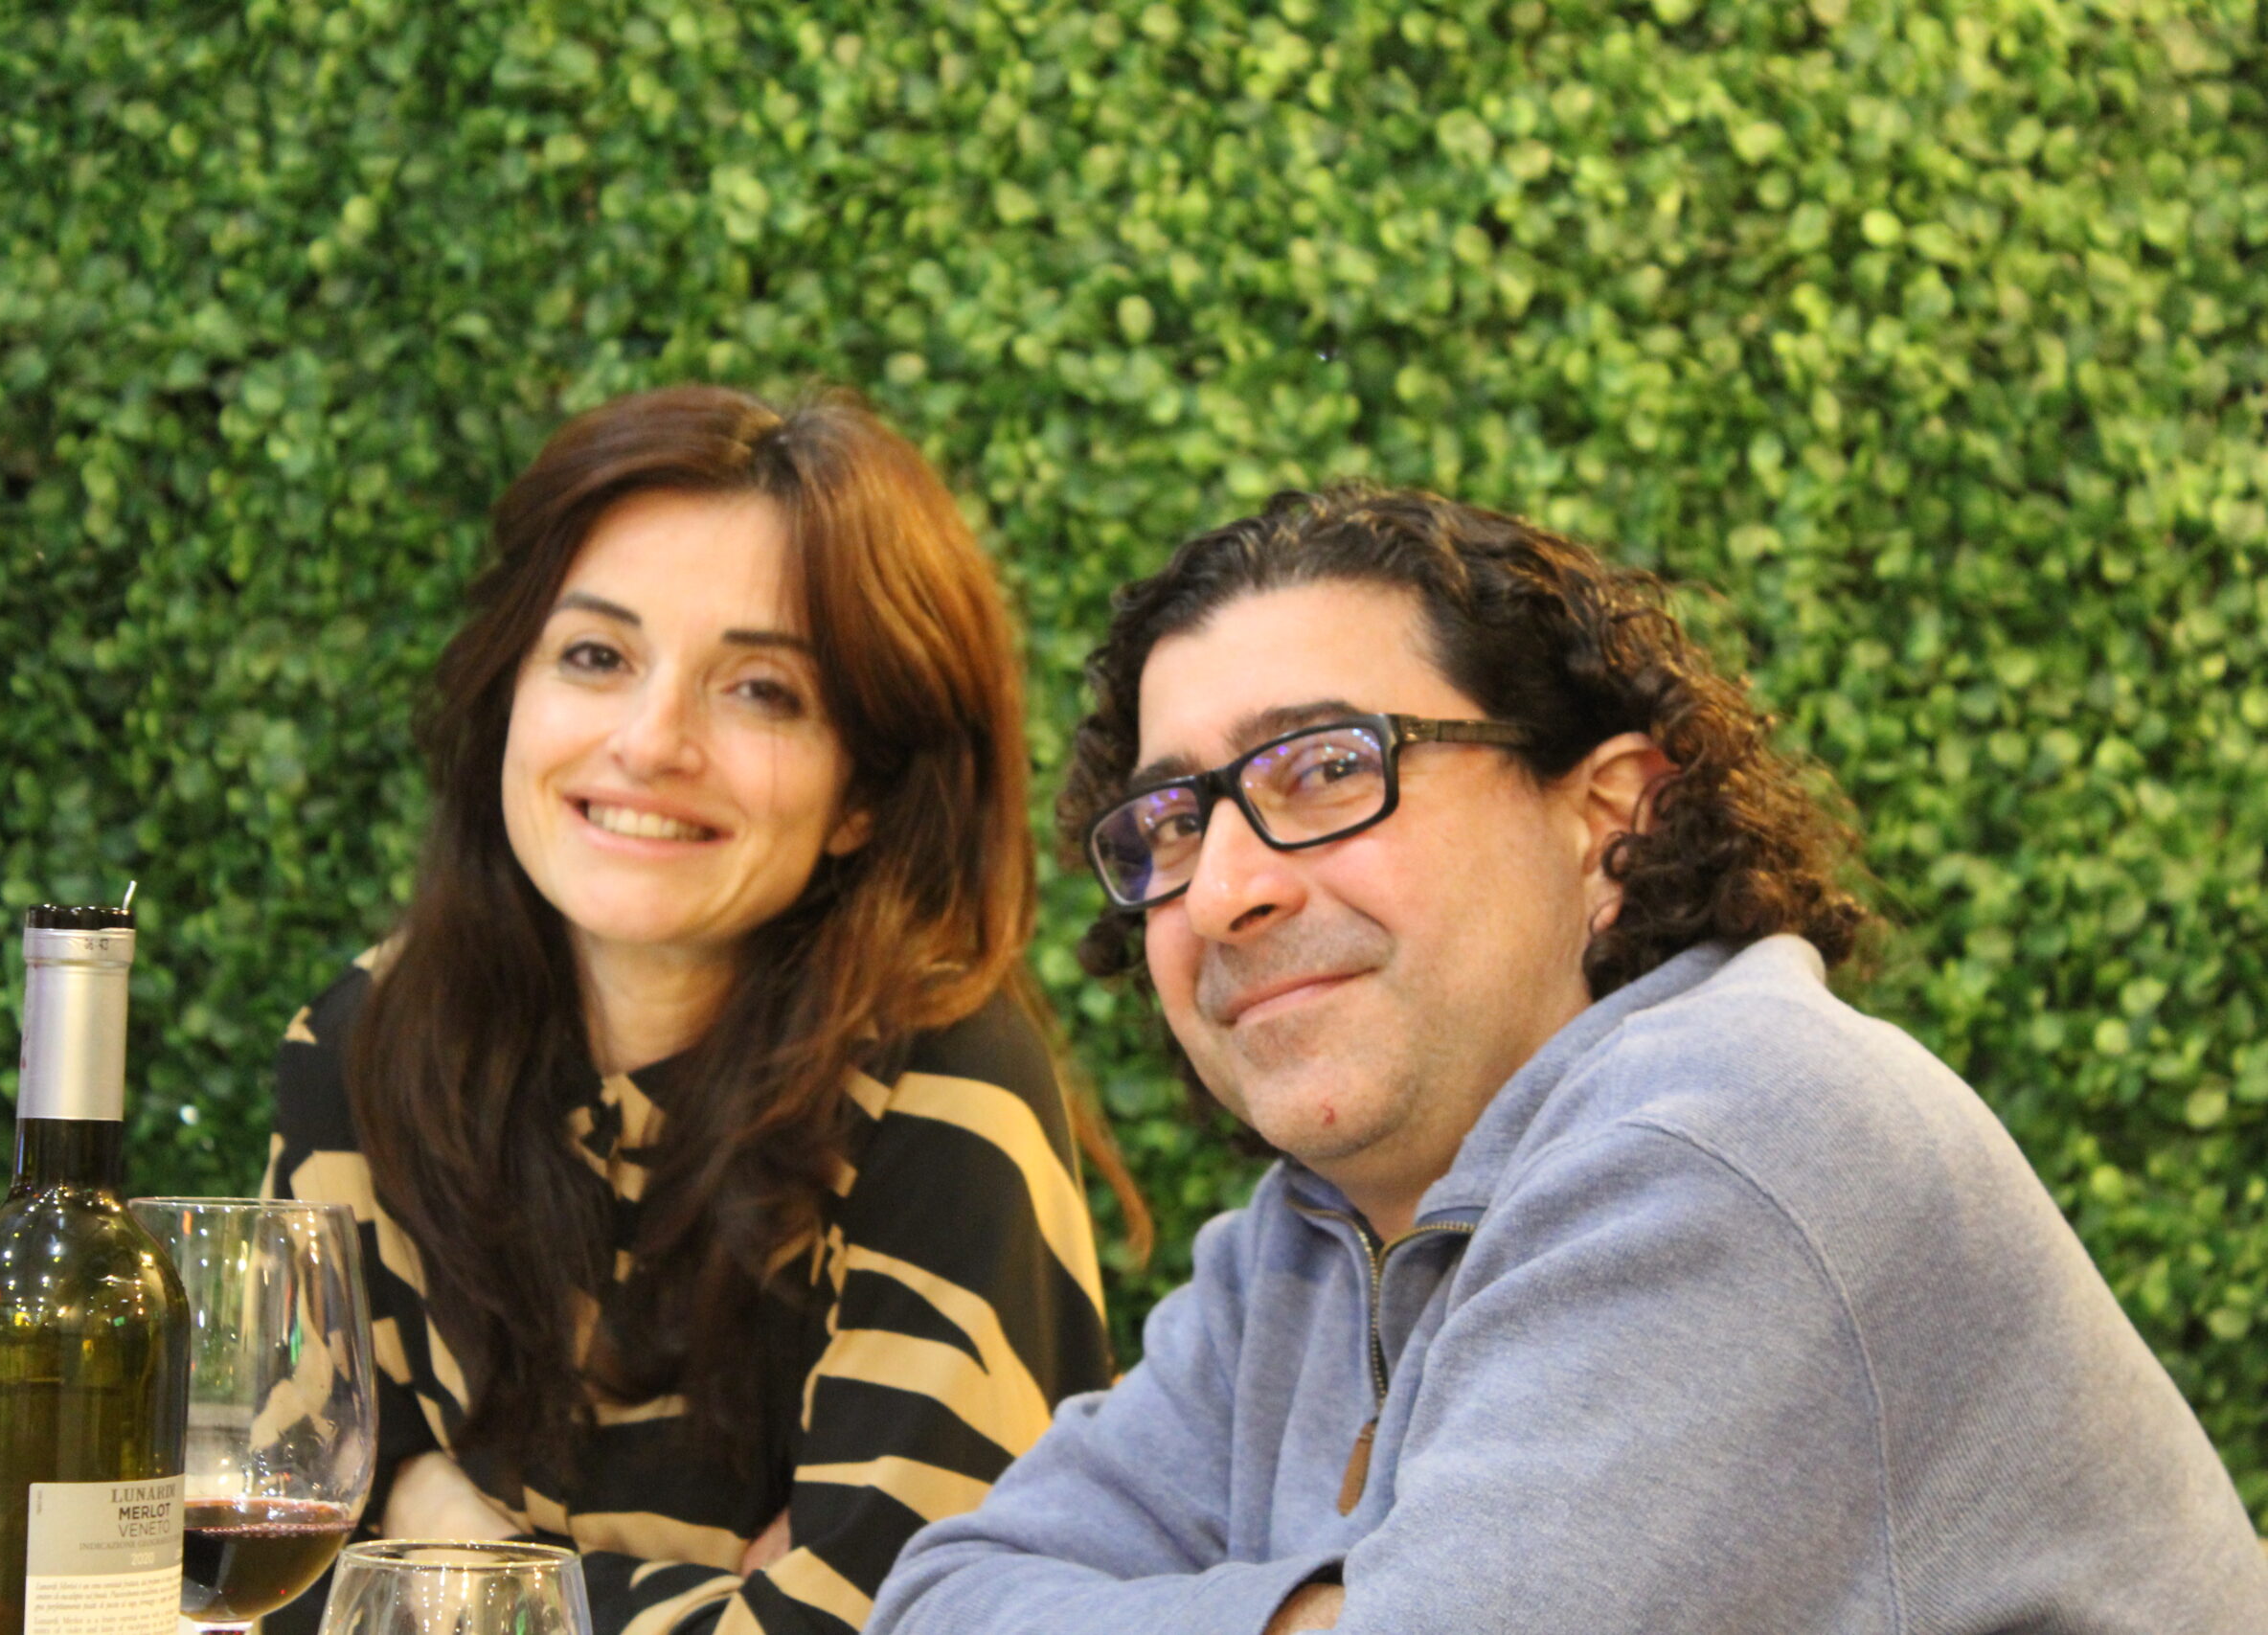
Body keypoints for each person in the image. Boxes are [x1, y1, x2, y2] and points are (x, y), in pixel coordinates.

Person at [868, 487, 2268, 1634]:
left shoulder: (1736, 1136)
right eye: (1174, 819)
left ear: (1608, 821)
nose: (1226, 887)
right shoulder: (1298, 1250)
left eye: (1329, 768)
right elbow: (935, 1603)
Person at [266, 385, 1134, 1635]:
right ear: (509, 696)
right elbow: (288, 1566)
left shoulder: (944, 1087)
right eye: (596, 657)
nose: (652, 741)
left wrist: (442, 1531)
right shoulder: (365, 1045)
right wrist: (727, 1598)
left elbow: (913, 1622)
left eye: (763, 691)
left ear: (863, 794)